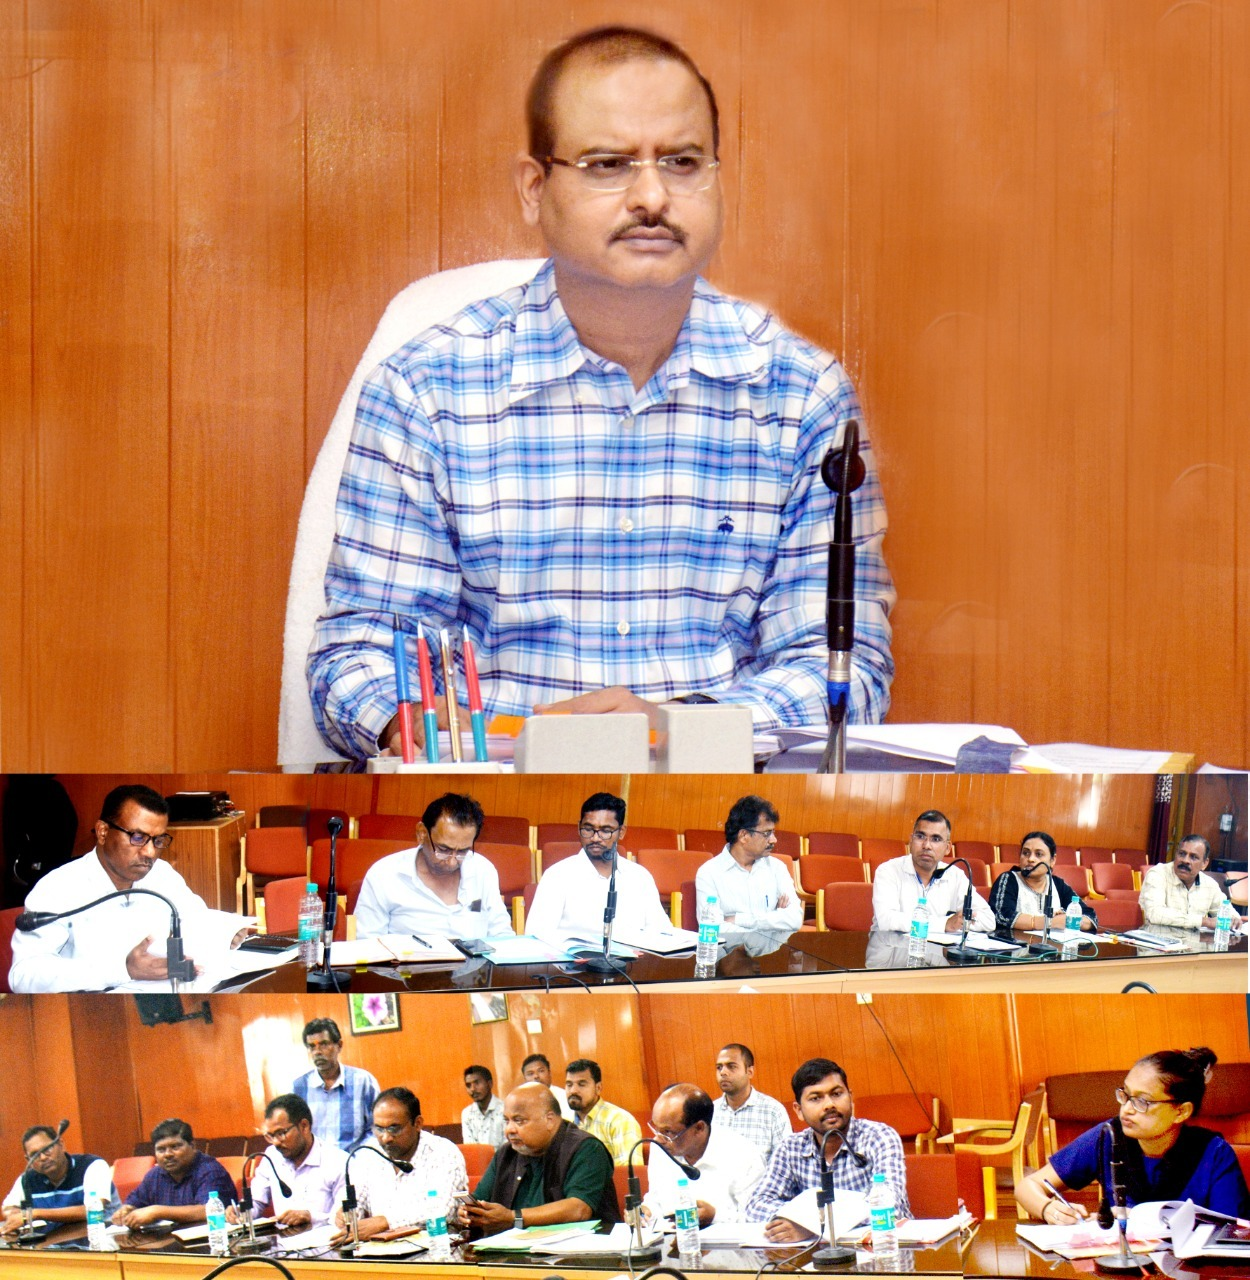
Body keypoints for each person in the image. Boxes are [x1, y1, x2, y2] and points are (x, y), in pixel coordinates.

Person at [307, 23, 895, 763]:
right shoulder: (425, 392)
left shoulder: (802, 396)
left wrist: (675, 728)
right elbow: (359, 657)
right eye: (609, 164)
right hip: (495, 801)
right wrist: (462, 734)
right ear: (534, 189)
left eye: (682, 162)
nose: (652, 196)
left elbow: (845, 668)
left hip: (722, 801)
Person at [8, 784, 250, 993]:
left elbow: (196, 920)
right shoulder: (57, 888)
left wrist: (224, 935)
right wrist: (123, 969)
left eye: (158, 840)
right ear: (103, 832)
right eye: (137, 837)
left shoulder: (161, 874)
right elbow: (24, 976)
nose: (150, 852)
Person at [1016, 1047, 1250, 1221]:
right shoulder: (1109, 1136)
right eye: (1126, 1095)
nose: (1126, 1109)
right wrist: (1049, 1209)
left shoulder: (1214, 1154)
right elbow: (1028, 1186)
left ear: (1181, 1111)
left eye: (1142, 1101)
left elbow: (1233, 1231)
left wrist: (1140, 1221)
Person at [746, 1057, 910, 1239]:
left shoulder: (879, 1137)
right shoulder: (790, 1148)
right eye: (815, 1098)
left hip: (882, 1247)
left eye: (837, 1094)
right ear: (798, 1110)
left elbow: (891, 1206)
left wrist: (814, 1226)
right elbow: (756, 1206)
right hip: (816, 1254)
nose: (829, 1104)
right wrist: (803, 1223)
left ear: (850, 1098)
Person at [462, 1083, 619, 1234]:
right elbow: (479, 1199)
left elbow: (579, 1209)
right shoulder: (506, 1154)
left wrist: (513, 1218)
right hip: (512, 1248)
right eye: (506, 1121)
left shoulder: (586, 1148)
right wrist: (469, 1213)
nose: (509, 1129)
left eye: (519, 1120)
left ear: (549, 1120)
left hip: (578, 1249)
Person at [353, 793, 514, 940]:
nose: (452, 862)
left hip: (473, 963)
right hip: (408, 963)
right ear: (422, 833)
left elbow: (501, 936)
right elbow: (367, 942)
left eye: (462, 851)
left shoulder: (483, 870)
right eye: (443, 850)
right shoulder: (384, 874)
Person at [525, 793, 671, 944]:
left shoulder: (640, 877)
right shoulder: (558, 875)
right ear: (579, 828)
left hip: (632, 957)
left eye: (605, 831)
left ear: (621, 832)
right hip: (573, 958)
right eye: (588, 829)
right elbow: (536, 936)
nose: (595, 838)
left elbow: (661, 930)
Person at [333, 1088, 467, 1242]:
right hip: (380, 1249)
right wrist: (346, 1215)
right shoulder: (370, 1153)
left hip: (435, 1248)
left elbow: (444, 1210)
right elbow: (355, 1198)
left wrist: (385, 1222)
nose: (386, 1138)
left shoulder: (443, 1152)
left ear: (417, 1124)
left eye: (393, 1128)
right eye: (379, 1128)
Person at [643, 1084, 764, 1224]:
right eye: (656, 1129)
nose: (658, 1139)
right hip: (673, 1235)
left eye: (668, 1132)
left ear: (699, 1128)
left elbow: (756, 1219)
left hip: (727, 1237)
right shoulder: (660, 1147)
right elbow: (656, 1198)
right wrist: (647, 1212)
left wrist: (715, 1217)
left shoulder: (744, 1155)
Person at [230, 1094, 347, 1228]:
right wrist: (240, 1212)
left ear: (304, 1126)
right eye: (270, 1136)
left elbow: (343, 1219)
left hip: (325, 1239)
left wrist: (311, 1217)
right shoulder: (271, 1156)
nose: (276, 1142)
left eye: (281, 1133)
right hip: (283, 1239)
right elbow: (256, 1201)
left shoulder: (337, 1162)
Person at [870, 810, 994, 933]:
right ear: (911, 841)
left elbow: (988, 920)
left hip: (939, 946)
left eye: (936, 839)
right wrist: (944, 924)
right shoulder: (888, 871)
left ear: (947, 848)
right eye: (920, 837)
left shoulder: (955, 876)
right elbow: (887, 920)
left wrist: (959, 923)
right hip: (892, 945)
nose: (927, 845)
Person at [694, 796, 803, 932]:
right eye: (767, 833)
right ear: (744, 836)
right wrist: (774, 920)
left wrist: (739, 919)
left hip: (771, 947)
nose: (773, 840)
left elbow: (795, 919)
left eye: (773, 832)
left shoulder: (777, 868)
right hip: (731, 947)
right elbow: (713, 928)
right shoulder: (709, 872)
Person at [111, 1119, 237, 1229]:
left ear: (192, 1146)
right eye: (161, 1149)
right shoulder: (155, 1174)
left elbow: (209, 1210)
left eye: (175, 1147)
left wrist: (156, 1211)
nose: (168, 1154)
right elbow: (135, 1202)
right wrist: (125, 1211)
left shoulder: (210, 1170)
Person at [1, 1126, 116, 1232]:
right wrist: (14, 1216)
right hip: (54, 1243)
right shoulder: (27, 1179)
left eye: (47, 1149)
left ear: (61, 1144)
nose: (43, 1157)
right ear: (28, 1160)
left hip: (104, 1239)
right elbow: (9, 1208)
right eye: (35, 1155)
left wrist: (34, 1214)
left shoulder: (92, 1166)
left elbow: (93, 1210)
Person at [292, 1017, 380, 1151]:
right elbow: (295, 1133)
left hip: (355, 1159)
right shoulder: (298, 1088)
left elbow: (376, 1128)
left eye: (324, 1044)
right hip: (315, 1161)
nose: (317, 1052)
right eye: (312, 1046)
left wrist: (360, 1157)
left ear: (339, 1045)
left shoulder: (363, 1081)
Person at [987, 832, 1097, 933]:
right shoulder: (1009, 879)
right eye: (1025, 853)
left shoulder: (1058, 884)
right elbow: (1001, 916)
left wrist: (1068, 920)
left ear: (1052, 860)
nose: (1030, 859)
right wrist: (1049, 922)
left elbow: (1091, 917)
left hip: (1053, 946)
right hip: (1016, 946)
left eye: (1038, 854)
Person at [1139, 836, 1244, 931]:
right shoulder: (1158, 874)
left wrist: (1234, 920)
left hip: (1193, 943)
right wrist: (1205, 921)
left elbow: (1229, 913)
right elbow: (1155, 914)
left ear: (1204, 863)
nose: (1185, 860)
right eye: (1182, 854)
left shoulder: (1209, 884)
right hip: (1157, 941)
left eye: (1193, 857)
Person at [712, 1043, 792, 1165]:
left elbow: (785, 1162)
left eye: (731, 1066)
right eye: (719, 1067)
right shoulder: (710, 1112)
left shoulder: (773, 1111)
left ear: (749, 1072)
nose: (723, 1072)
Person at [565, 1058, 642, 1165]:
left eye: (581, 1084)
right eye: (569, 1085)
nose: (573, 1090)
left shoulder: (620, 1120)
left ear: (598, 1088)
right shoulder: (565, 1124)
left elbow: (630, 1171)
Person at [461, 1065, 506, 1146]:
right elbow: (469, 1147)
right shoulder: (467, 1113)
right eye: (468, 1085)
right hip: (476, 1154)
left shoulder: (505, 1109)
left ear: (490, 1084)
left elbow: (508, 1146)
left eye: (477, 1083)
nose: (472, 1089)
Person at [522, 1053, 574, 1120]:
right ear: (525, 1078)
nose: (536, 1076)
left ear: (549, 1073)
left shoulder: (564, 1097)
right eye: (530, 1074)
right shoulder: (520, 1101)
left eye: (541, 1071)